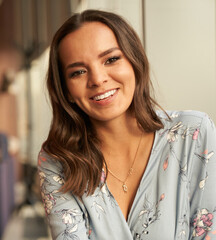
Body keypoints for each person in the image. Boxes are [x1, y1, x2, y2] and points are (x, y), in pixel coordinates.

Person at [38, 9, 216, 239]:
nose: (98, 79)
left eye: (111, 59)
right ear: (66, 91)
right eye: (78, 72)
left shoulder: (194, 134)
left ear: (134, 61)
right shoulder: (58, 160)